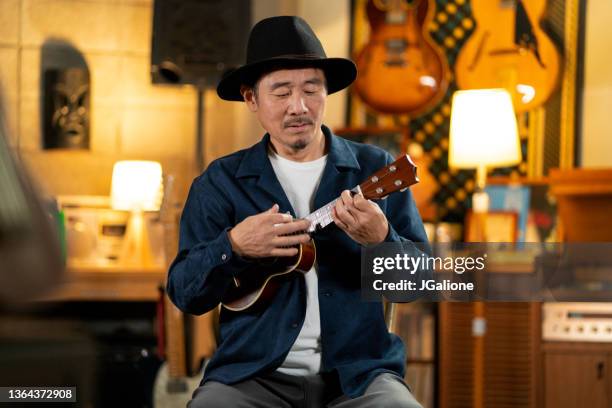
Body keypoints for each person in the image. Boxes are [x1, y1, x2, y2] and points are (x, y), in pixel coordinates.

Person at [167, 16, 428, 408]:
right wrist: (233, 245)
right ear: (251, 99)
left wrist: (382, 241)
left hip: (359, 377)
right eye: (281, 92)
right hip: (251, 377)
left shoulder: (375, 169)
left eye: (311, 89)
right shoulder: (220, 182)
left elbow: (421, 283)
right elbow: (185, 293)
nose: (299, 106)